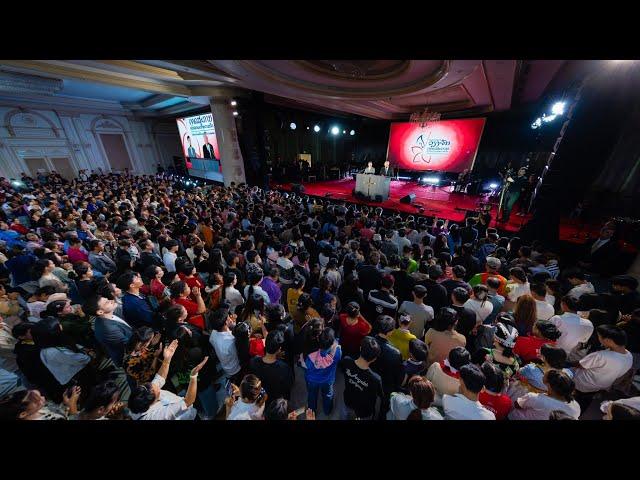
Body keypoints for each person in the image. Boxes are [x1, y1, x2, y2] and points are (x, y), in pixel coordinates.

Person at [128, 340, 207, 420]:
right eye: (158, 391)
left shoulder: (144, 396)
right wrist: (193, 376)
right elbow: (188, 401)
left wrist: (167, 359)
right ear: (152, 404)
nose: (158, 387)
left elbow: (159, 378)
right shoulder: (155, 417)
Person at [573, 325, 633, 396]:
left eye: (599, 337)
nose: (598, 339)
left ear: (608, 340)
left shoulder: (601, 355)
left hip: (582, 384)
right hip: (600, 387)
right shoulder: (629, 355)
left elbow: (580, 365)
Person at [509, 369, 581, 420]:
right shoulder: (576, 407)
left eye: (544, 375)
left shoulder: (535, 398)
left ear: (549, 385)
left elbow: (517, 404)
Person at [340, 336, 384, 420]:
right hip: (364, 411)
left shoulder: (346, 361)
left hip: (348, 401)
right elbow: (380, 394)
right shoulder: (375, 379)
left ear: (360, 349)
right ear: (374, 359)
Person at [370, 315, 404, 419]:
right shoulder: (395, 353)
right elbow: (398, 375)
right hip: (387, 384)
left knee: (371, 398)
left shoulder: (369, 341)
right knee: (384, 405)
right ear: (390, 332)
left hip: (371, 376)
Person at [84, 294, 132, 368]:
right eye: (107, 302)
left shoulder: (109, 313)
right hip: (128, 356)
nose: (112, 301)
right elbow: (129, 345)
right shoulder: (108, 329)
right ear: (100, 312)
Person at [249, 330, 294, 405]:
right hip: (277, 400)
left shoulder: (254, 361)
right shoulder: (284, 368)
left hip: (262, 398)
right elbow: (288, 385)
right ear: (279, 349)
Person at [304, 327, 342, 416]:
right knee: (327, 395)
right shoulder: (337, 352)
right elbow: (337, 345)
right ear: (332, 343)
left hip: (312, 380)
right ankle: (327, 411)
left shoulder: (310, 355)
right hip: (328, 380)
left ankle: (311, 412)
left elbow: (307, 366)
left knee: (312, 395)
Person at [209, 308, 241, 383]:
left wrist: (233, 323)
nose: (230, 317)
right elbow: (237, 354)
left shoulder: (213, 333)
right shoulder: (231, 341)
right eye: (228, 317)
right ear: (226, 322)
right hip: (234, 368)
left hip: (225, 365)